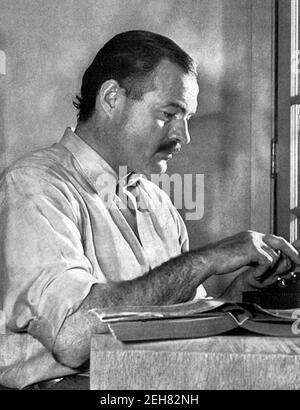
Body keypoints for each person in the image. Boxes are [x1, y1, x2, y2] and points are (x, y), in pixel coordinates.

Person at [0, 30, 299, 389]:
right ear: (112, 98)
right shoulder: (35, 185)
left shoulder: (156, 204)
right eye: (170, 113)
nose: (183, 136)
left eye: (186, 117)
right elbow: (73, 339)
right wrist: (208, 259)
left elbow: (175, 322)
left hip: (146, 384)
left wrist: (236, 294)